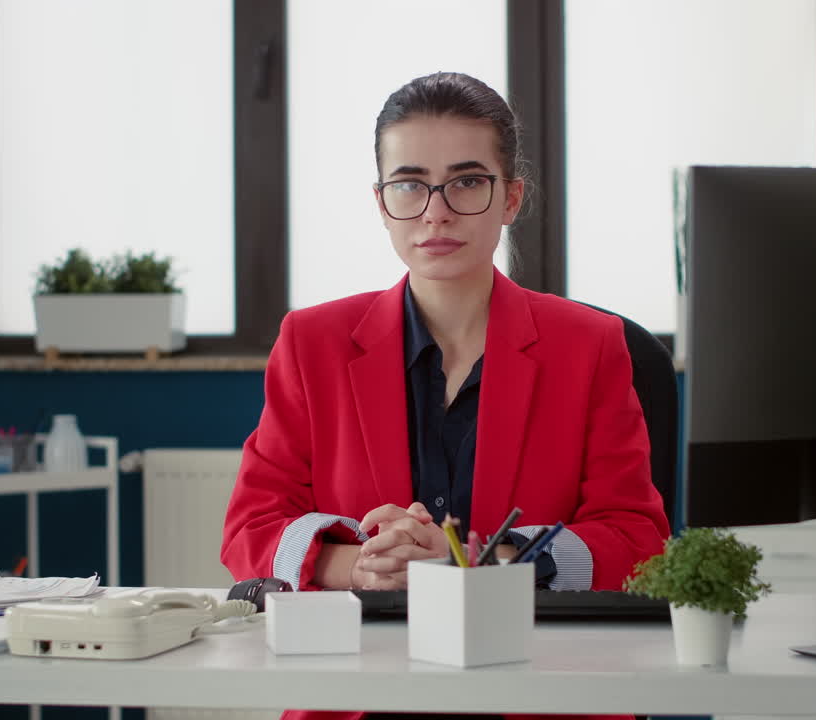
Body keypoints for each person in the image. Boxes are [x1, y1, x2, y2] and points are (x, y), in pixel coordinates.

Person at [221, 72, 669, 720]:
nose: (436, 211)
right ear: (381, 201)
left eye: (466, 182)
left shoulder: (590, 345)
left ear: (510, 197)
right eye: (409, 184)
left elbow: (638, 538)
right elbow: (250, 527)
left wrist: (481, 563)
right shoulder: (311, 342)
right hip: (359, 696)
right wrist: (362, 568)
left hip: (542, 693)